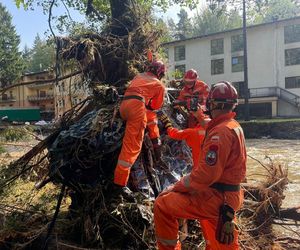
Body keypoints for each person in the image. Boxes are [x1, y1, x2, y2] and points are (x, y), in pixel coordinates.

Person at [154, 81, 247, 250]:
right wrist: (197, 114)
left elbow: (205, 175)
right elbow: (207, 123)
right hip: (229, 193)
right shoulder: (232, 126)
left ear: (213, 104)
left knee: (162, 204)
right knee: (218, 240)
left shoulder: (217, 133)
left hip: (216, 194)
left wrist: (177, 186)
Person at [113, 60, 166, 188]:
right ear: (160, 73)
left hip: (124, 106)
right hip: (136, 108)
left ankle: (156, 144)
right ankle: (119, 184)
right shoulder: (159, 85)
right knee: (131, 147)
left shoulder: (139, 76)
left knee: (147, 117)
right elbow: (156, 106)